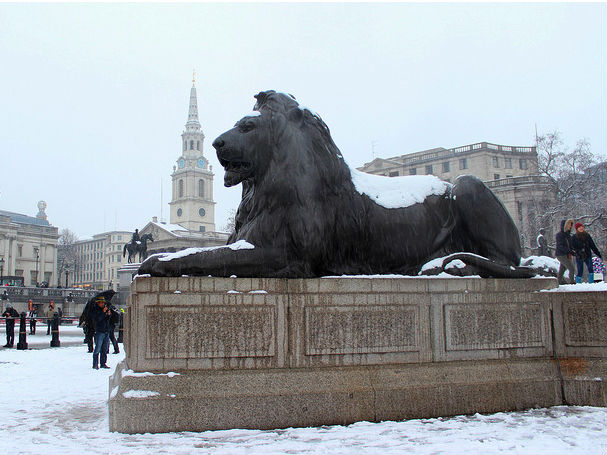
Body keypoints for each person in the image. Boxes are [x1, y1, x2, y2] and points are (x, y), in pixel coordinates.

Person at [91, 296, 112, 369]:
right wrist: (103, 313)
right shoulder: (95, 310)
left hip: (106, 331)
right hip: (100, 331)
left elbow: (106, 320)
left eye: (103, 302)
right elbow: (97, 320)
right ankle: (95, 364)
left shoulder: (104, 309)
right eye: (101, 302)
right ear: (98, 303)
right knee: (97, 348)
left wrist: (108, 315)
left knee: (105, 349)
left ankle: (103, 363)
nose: (103, 304)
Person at [555, 219, 576, 285]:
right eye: (569, 224)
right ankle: (572, 282)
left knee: (562, 268)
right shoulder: (559, 235)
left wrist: (575, 251)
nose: (570, 226)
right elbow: (561, 246)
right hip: (561, 254)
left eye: (571, 225)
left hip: (566, 254)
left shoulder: (568, 235)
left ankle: (559, 281)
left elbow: (570, 245)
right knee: (571, 268)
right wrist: (569, 251)